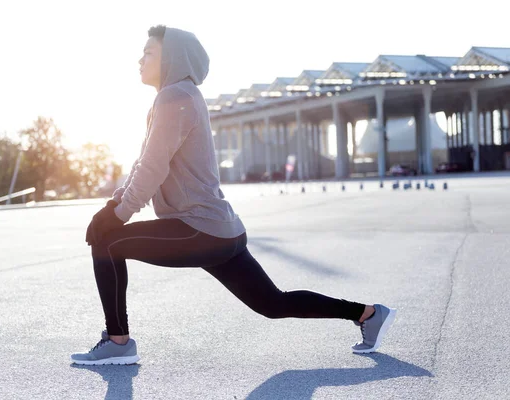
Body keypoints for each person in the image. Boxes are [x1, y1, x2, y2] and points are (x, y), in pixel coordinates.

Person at [70, 25, 396, 366]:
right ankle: (367, 314)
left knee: (106, 241)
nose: (140, 59)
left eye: (148, 52)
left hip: (199, 228)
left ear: (172, 59)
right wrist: (114, 205)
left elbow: (152, 168)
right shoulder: (175, 97)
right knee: (274, 304)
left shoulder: (175, 97)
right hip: (219, 230)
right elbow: (145, 162)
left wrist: (117, 216)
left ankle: (118, 343)